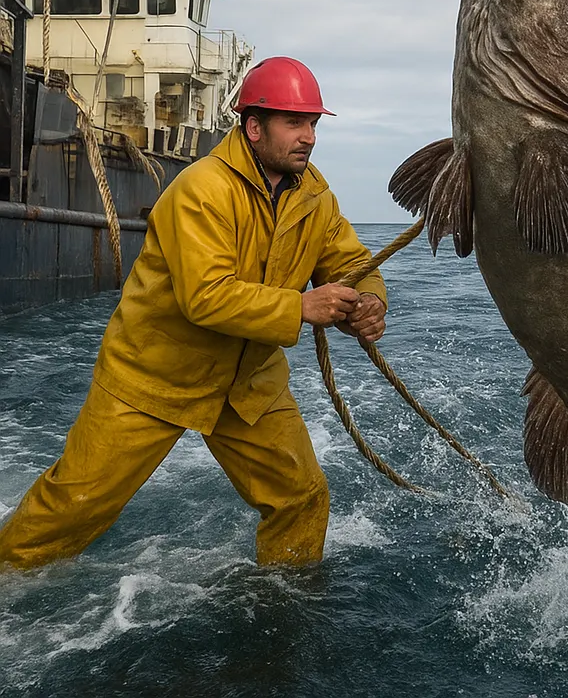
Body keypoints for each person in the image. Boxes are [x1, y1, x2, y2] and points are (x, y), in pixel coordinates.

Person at [0, 56, 386, 570]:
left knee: (301, 497)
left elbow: (353, 262)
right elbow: (206, 296)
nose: (309, 136)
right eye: (294, 122)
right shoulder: (201, 189)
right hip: (155, 374)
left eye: (313, 123)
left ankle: (286, 603)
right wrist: (300, 306)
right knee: (73, 506)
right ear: (253, 127)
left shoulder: (315, 196)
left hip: (247, 381)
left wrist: (370, 301)